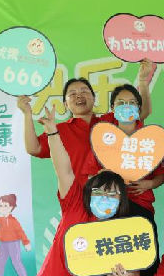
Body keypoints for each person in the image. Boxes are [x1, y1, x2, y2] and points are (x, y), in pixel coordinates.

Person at [29, 107, 139, 276]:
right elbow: (64, 169)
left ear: (121, 200)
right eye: (100, 191)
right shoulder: (74, 204)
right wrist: (52, 131)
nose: (106, 198)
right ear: (89, 191)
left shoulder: (122, 227)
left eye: (113, 194)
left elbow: (135, 271)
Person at [95, 83, 164, 276]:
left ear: (139, 108)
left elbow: (161, 175)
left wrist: (148, 183)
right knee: (115, 266)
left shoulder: (149, 137)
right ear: (112, 108)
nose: (127, 107)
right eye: (121, 103)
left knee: (148, 266)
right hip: (111, 209)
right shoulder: (104, 137)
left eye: (132, 103)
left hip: (141, 207)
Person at [19, 61, 153, 197]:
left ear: (94, 98)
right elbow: (34, 148)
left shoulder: (109, 121)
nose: (79, 96)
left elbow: (142, 113)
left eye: (84, 91)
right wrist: (27, 114)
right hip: (78, 198)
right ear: (65, 104)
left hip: (111, 198)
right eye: (72, 94)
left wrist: (142, 81)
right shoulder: (59, 130)